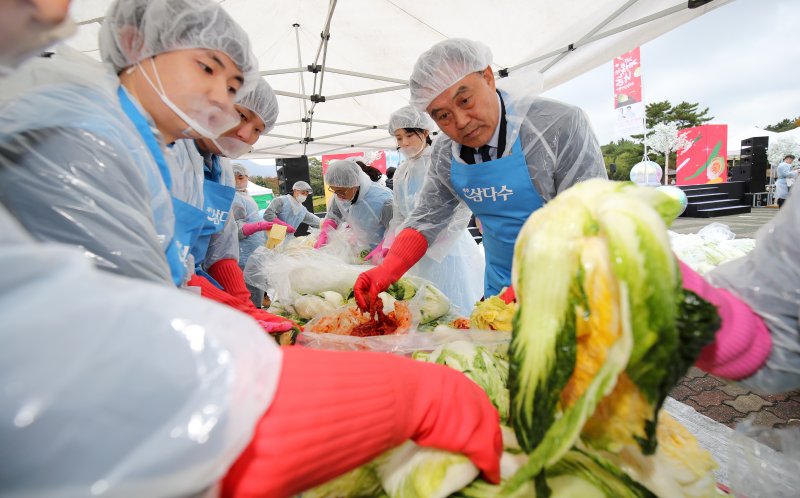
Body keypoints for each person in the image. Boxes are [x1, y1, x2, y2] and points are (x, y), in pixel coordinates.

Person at [0, 1, 502, 497]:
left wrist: (226, 300)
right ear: (134, 44)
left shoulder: (155, 145)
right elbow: (116, 361)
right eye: (207, 68)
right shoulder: (84, 131)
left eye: (234, 88)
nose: (221, 102)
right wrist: (404, 395)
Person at [354, 38, 607, 309]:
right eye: (443, 116)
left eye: (465, 100)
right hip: (499, 291)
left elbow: (591, 221)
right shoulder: (445, 152)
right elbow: (428, 217)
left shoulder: (557, 126)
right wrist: (389, 268)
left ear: (488, 77)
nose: (461, 122)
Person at [171, 77, 296, 329]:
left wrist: (244, 303)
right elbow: (162, 260)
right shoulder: (173, 152)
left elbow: (221, 247)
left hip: (195, 290)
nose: (244, 133)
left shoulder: (222, 169)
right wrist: (235, 308)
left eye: (258, 130)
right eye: (240, 115)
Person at [376, 104, 484, 312]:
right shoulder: (401, 172)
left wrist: (439, 242)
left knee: (454, 305)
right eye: (399, 138)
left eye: (409, 135)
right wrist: (394, 243)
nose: (405, 142)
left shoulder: (441, 159)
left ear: (425, 132)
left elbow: (462, 207)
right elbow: (399, 215)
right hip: (415, 251)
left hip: (448, 250)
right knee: (424, 310)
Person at [230, 162, 296, 307]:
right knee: (248, 289)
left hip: (254, 248)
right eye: (236, 177)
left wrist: (265, 227)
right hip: (243, 252)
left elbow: (253, 217)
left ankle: (259, 309)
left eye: (242, 177)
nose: (239, 180)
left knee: (257, 284)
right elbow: (233, 229)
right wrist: (257, 226)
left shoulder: (245, 196)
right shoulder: (232, 198)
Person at [314, 158, 393, 253]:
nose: (338, 196)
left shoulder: (384, 199)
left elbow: (395, 228)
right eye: (335, 191)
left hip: (384, 251)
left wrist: (386, 246)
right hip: (361, 250)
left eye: (341, 191)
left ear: (355, 184)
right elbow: (333, 216)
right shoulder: (341, 196)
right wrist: (325, 233)